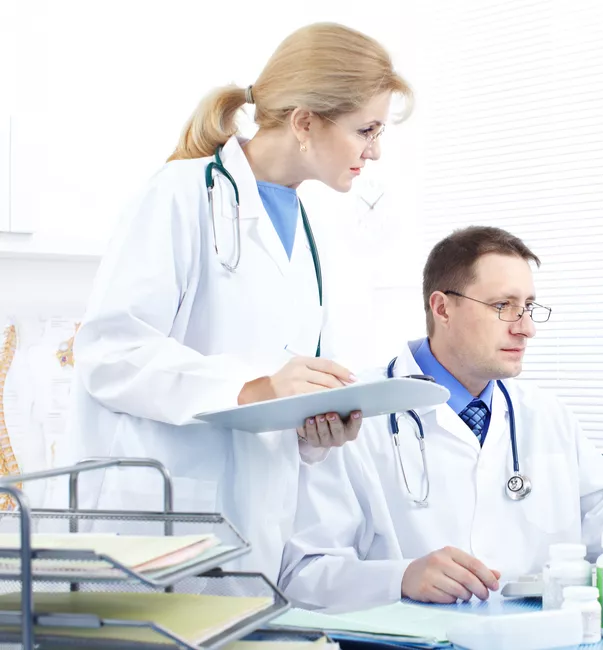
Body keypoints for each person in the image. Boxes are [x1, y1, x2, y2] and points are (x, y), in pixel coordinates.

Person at [277, 226, 603, 612]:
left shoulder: (544, 414)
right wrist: (401, 577)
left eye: (529, 307)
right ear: (442, 307)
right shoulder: (349, 412)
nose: (525, 328)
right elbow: (305, 571)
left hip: (531, 632)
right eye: (503, 306)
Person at [65, 22, 412, 582]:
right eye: (366, 130)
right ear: (304, 122)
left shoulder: (310, 231)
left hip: (254, 531)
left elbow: (274, 386)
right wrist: (253, 390)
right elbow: (110, 352)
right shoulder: (180, 193)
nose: (374, 151)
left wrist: (310, 432)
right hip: (157, 521)